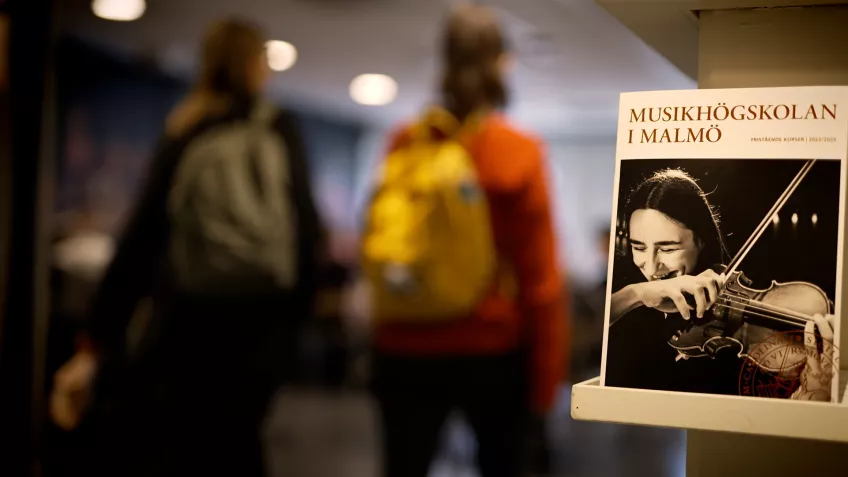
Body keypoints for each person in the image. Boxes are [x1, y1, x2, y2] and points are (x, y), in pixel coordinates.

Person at [50, 18, 323, 476]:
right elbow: (308, 231)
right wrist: (295, 319)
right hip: (262, 327)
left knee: (188, 447)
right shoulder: (280, 127)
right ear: (258, 66)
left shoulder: (187, 128)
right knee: (241, 443)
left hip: (191, 324)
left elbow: (140, 239)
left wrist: (96, 337)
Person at [369, 5, 569, 477]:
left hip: (402, 342)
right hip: (490, 348)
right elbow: (540, 278)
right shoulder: (517, 150)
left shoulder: (405, 141)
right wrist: (545, 382)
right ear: (503, 62)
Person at [605, 168, 834, 399]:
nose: (652, 268)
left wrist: (812, 390)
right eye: (639, 248)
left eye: (668, 249)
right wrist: (636, 293)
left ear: (702, 240)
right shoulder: (625, 312)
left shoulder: (726, 353)